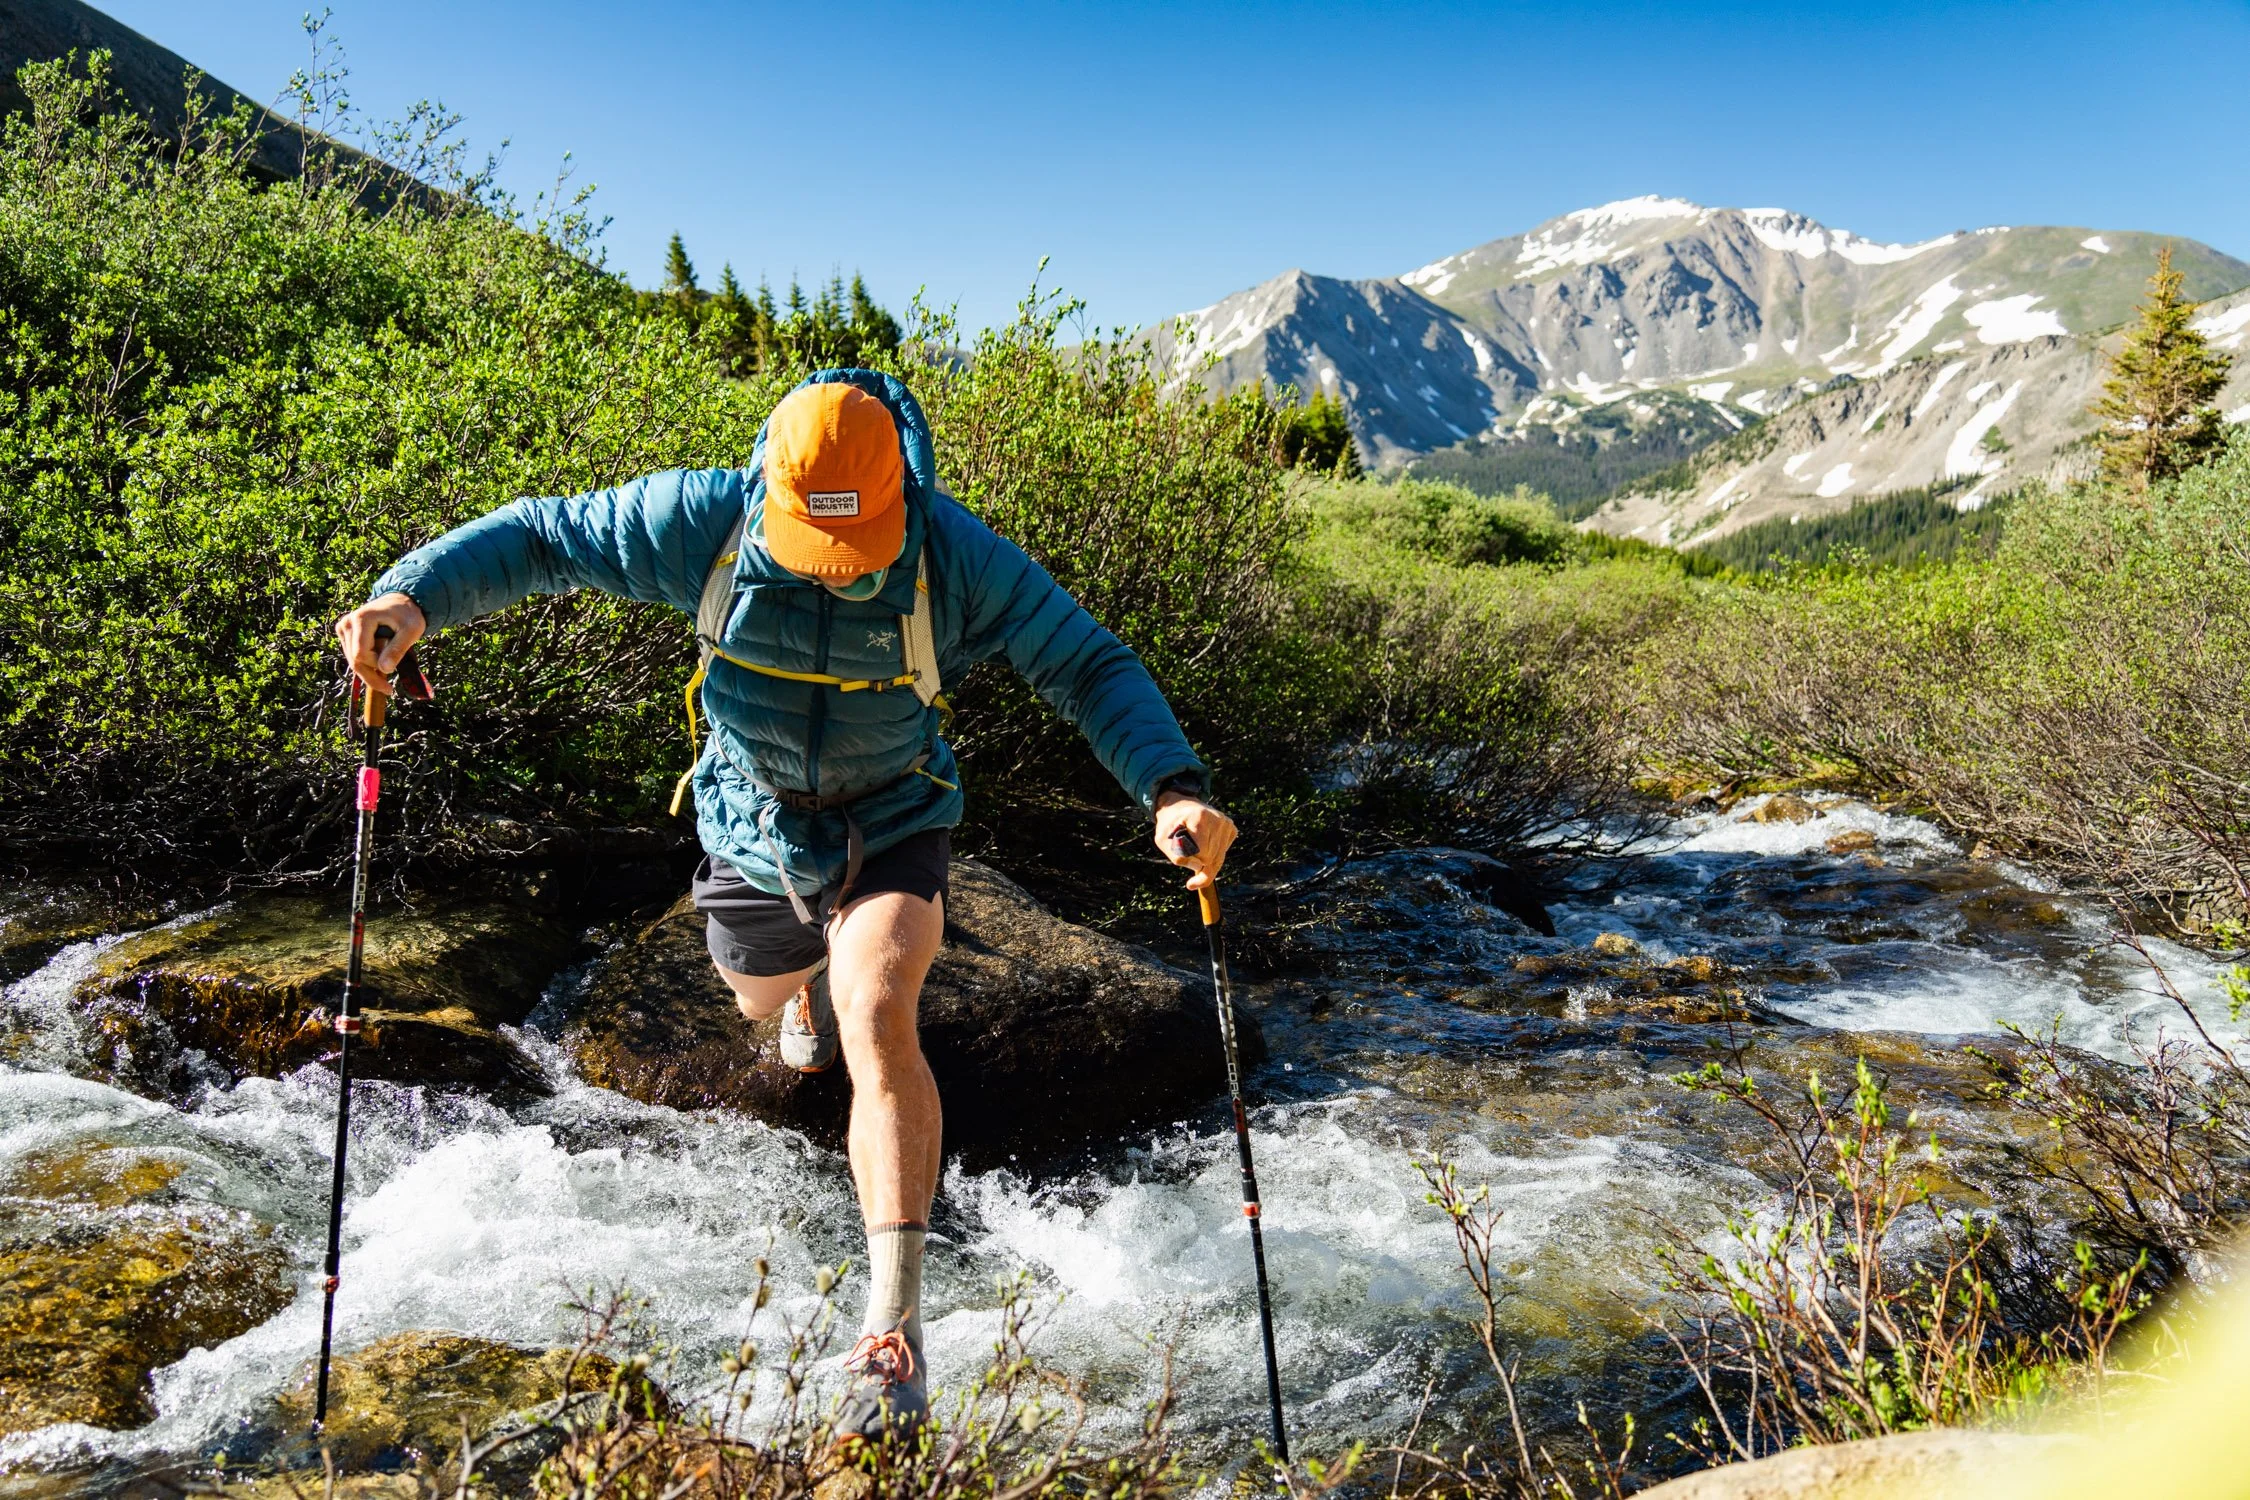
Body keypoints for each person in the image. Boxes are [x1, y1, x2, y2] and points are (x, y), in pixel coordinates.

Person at [334, 369, 1236, 1448]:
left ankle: (892, 1325)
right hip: (752, 824)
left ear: (902, 487)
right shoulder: (702, 521)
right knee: (757, 999)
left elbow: (1088, 662)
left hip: (893, 820)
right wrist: (413, 597)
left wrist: (1172, 787)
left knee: (882, 1011)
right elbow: (540, 537)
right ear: (771, 488)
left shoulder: (953, 556)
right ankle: (795, 983)